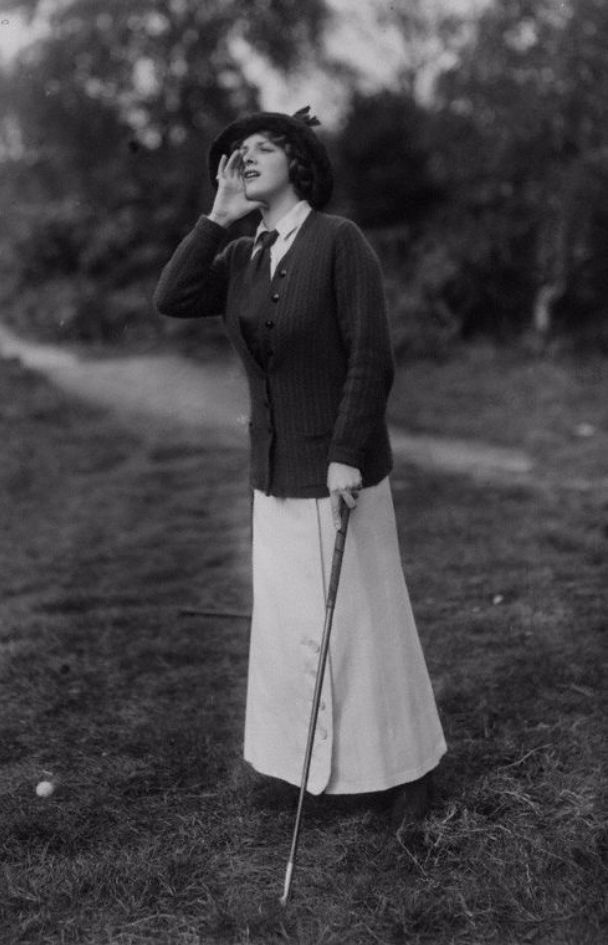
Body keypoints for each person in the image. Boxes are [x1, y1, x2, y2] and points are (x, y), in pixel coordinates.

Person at [153, 107, 446, 821]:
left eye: (262, 147)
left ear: (299, 161)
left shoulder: (339, 241)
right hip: (275, 476)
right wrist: (216, 217)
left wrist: (347, 454)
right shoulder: (242, 256)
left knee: (362, 626)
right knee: (292, 627)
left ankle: (405, 775)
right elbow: (171, 297)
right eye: (235, 153)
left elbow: (371, 357)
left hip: (342, 475)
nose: (245, 158)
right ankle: (312, 771)